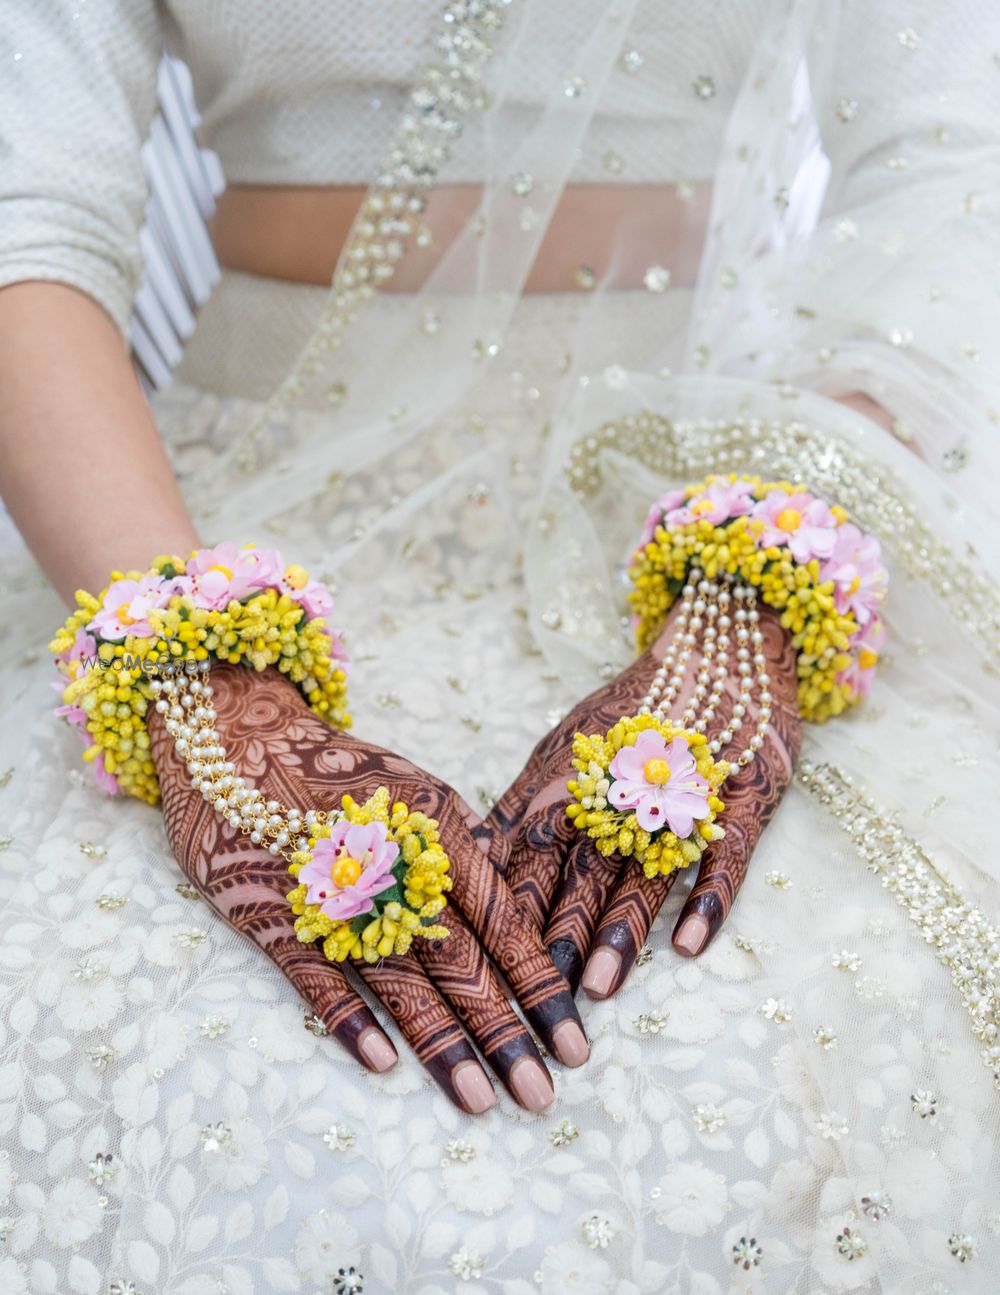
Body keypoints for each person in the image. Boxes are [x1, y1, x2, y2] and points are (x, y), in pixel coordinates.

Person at [0, 2, 998, 1290]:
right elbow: (28, 215)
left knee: (841, 1015)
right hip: (190, 523)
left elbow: (954, 165)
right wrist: (201, 681)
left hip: (712, 492)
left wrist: (760, 588)